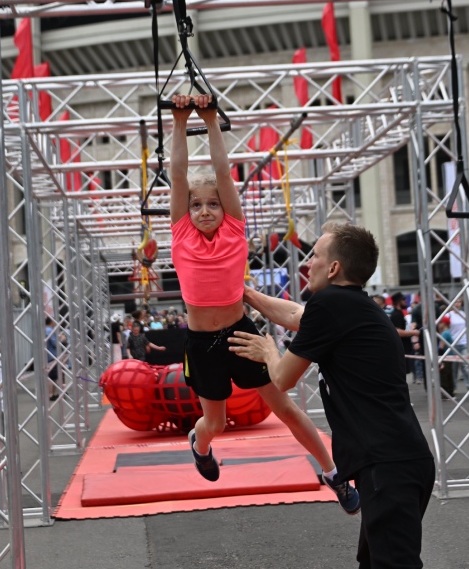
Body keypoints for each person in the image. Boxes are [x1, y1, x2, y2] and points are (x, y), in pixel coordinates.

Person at [168, 94, 359, 514]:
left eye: (213, 203)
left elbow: (223, 171)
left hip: (240, 334)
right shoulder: (181, 233)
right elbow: (178, 173)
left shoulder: (234, 230)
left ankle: (333, 473)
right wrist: (180, 123)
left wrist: (211, 120)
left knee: (285, 407)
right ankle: (200, 446)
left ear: (226, 208)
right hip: (201, 343)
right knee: (215, 423)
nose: (204, 211)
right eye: (196, 205)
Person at [229, 222, 434, 568]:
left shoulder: (329, 304)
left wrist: (267, 351)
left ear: (334, 267)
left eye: (315, 256)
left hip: (386, 464)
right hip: (398, 459)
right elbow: (295, 314)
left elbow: (282, 379)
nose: (307, 264)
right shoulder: (352, 306)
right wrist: (244, 293)